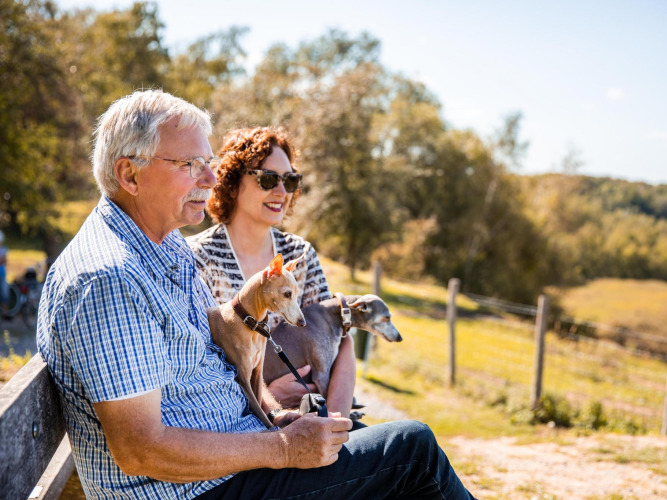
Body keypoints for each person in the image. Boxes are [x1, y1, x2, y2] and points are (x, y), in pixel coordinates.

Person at [36, 89, 475, 500]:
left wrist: (276, 415)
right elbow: (141, 450)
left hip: (235, 458)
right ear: (129, 174)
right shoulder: (109, 280)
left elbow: (222, 357)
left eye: (208, 163)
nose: (210, 178)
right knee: (413, 451)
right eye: (190, 164)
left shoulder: (164, 245)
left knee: (397, 451)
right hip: (196, 490)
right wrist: (282, 447)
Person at [186, 126, 357, 423]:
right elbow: (200, 367)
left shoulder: (299, 255)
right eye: (268, 179)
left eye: (290, 180)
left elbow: (340, 338)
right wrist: (271, 398)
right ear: (232, 182)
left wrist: (336, 425)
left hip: (318, 420)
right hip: (243, 427)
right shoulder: (198, 258)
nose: (282, 192)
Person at [0, 230, 7, 316]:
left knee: (4, 293)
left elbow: (4, 260)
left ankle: (5, 312)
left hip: (2, 273)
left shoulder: (4, 249)